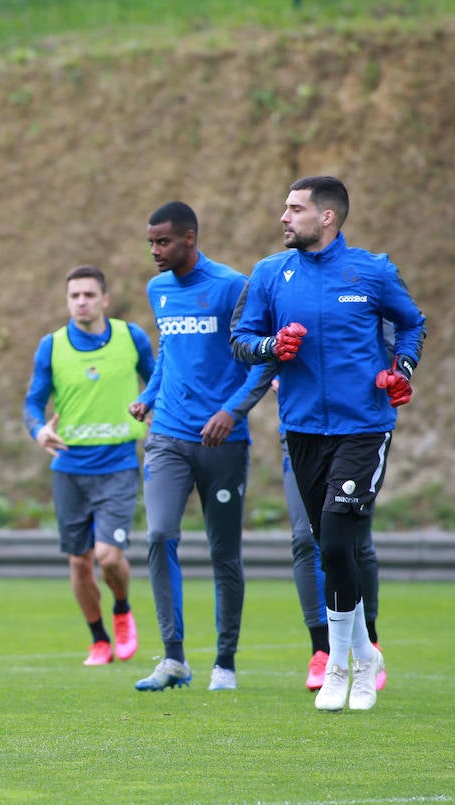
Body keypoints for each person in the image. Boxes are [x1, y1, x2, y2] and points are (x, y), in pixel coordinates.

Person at [230, 175, 425, 712]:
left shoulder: (372, 270)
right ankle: (365, 654)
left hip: (364, 425)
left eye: (294, 209)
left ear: (327, 218)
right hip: (302, 430)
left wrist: (401, 369)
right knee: (326, 546)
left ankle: (344, 665)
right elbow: (241, 341)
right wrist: (272, 344)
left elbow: (412, 324)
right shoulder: (270, 273)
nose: (283, 218)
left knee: (339, 540)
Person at [128, 202, 270, 692]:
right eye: (150, 242)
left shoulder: (231, 286)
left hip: (223, 441)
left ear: (189, 238)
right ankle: (173, 659)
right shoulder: (158, 290)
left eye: (162, 242)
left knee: (223, 553)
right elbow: (169, 349)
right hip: (167, 434)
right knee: (158, 534)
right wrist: (149, 396)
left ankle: (224, 663)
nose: (154, 251)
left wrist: (231, 410)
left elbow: (259, 357)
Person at [23, 264, 153, 666]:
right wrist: (39, 430)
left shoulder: (132, 338)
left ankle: (122, 608)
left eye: (89, 295)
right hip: (69, 467)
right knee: (80, 562)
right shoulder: (52, 346)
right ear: (67, 302)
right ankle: (99, 640)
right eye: (74, 296)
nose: (81, 302)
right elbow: (32, 402)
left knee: (108, 557)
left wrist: (151, 407)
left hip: (117, 463)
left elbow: (159, 380)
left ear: (105, 300)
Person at [231, 370, 385, 692]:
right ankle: (321, 649)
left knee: (351, 540)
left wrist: (392, 372)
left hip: (354, 426)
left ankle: (369, 643)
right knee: (306, 538)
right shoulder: (279, 318)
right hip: (301, 428)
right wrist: (267, 365)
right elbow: (246, 335)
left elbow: (394, 335)